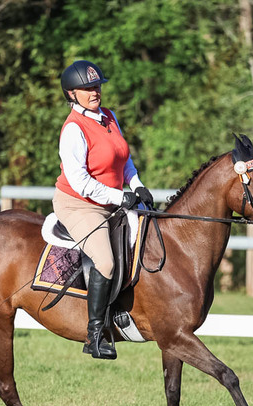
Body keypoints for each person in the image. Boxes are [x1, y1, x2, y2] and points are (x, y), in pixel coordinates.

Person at [52, 59, 153, 360]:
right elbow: (81, 182)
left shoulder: (108, 117)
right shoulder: (73, 129)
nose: (94, 92)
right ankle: (95, 334)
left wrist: (136, 185)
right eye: (87, 88)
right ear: (71, 94)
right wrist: (119, 196)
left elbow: (125, 159)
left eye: (96, 86)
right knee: (106, 262)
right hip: (80, 205)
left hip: (111, 199)